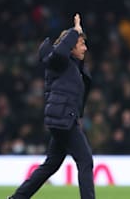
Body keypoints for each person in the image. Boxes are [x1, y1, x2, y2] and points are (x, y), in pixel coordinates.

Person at [8, 13, 95, 199]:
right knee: (85, 160)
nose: (86, 48)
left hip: (64, 118)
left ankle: (17, 198)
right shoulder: (58, 61)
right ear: (71, 47)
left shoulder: (71, 64)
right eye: (82, 44)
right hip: (63, 118)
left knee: (51, 164)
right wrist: (75, 31)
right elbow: (60, 50)